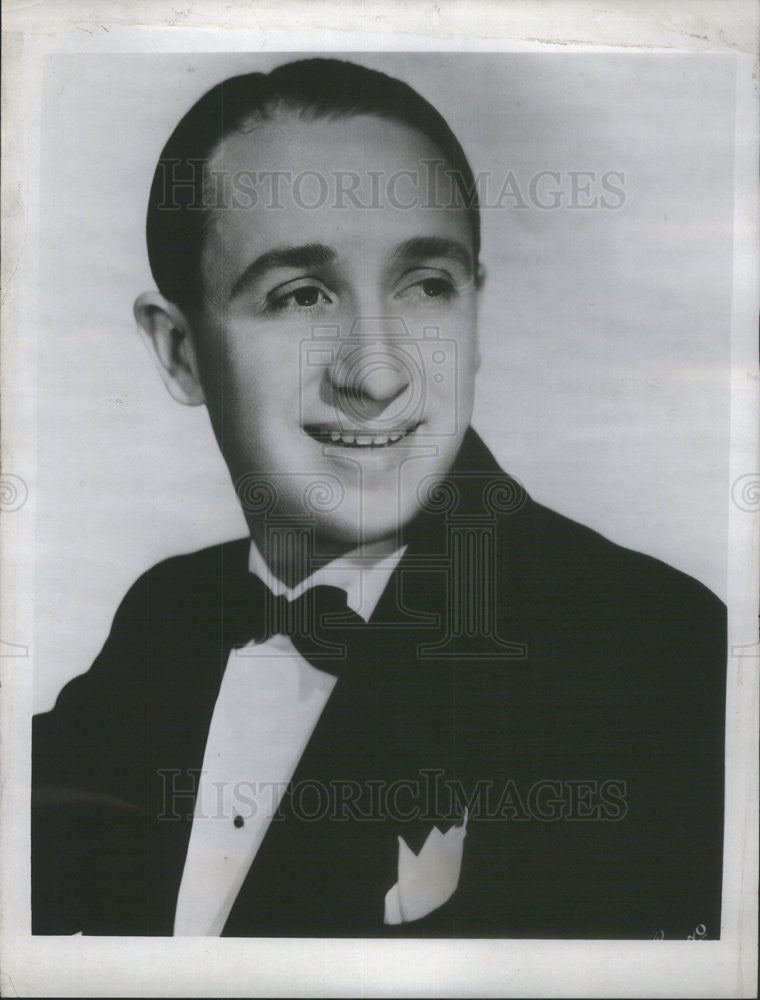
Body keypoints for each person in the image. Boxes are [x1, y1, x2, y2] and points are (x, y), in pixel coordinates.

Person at [32, 57, 726, 939]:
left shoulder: (655, 654)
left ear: (475, 313)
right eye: (300, 296)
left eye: (426, 286)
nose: (379, 372)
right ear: (179, 353)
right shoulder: (165, 619)